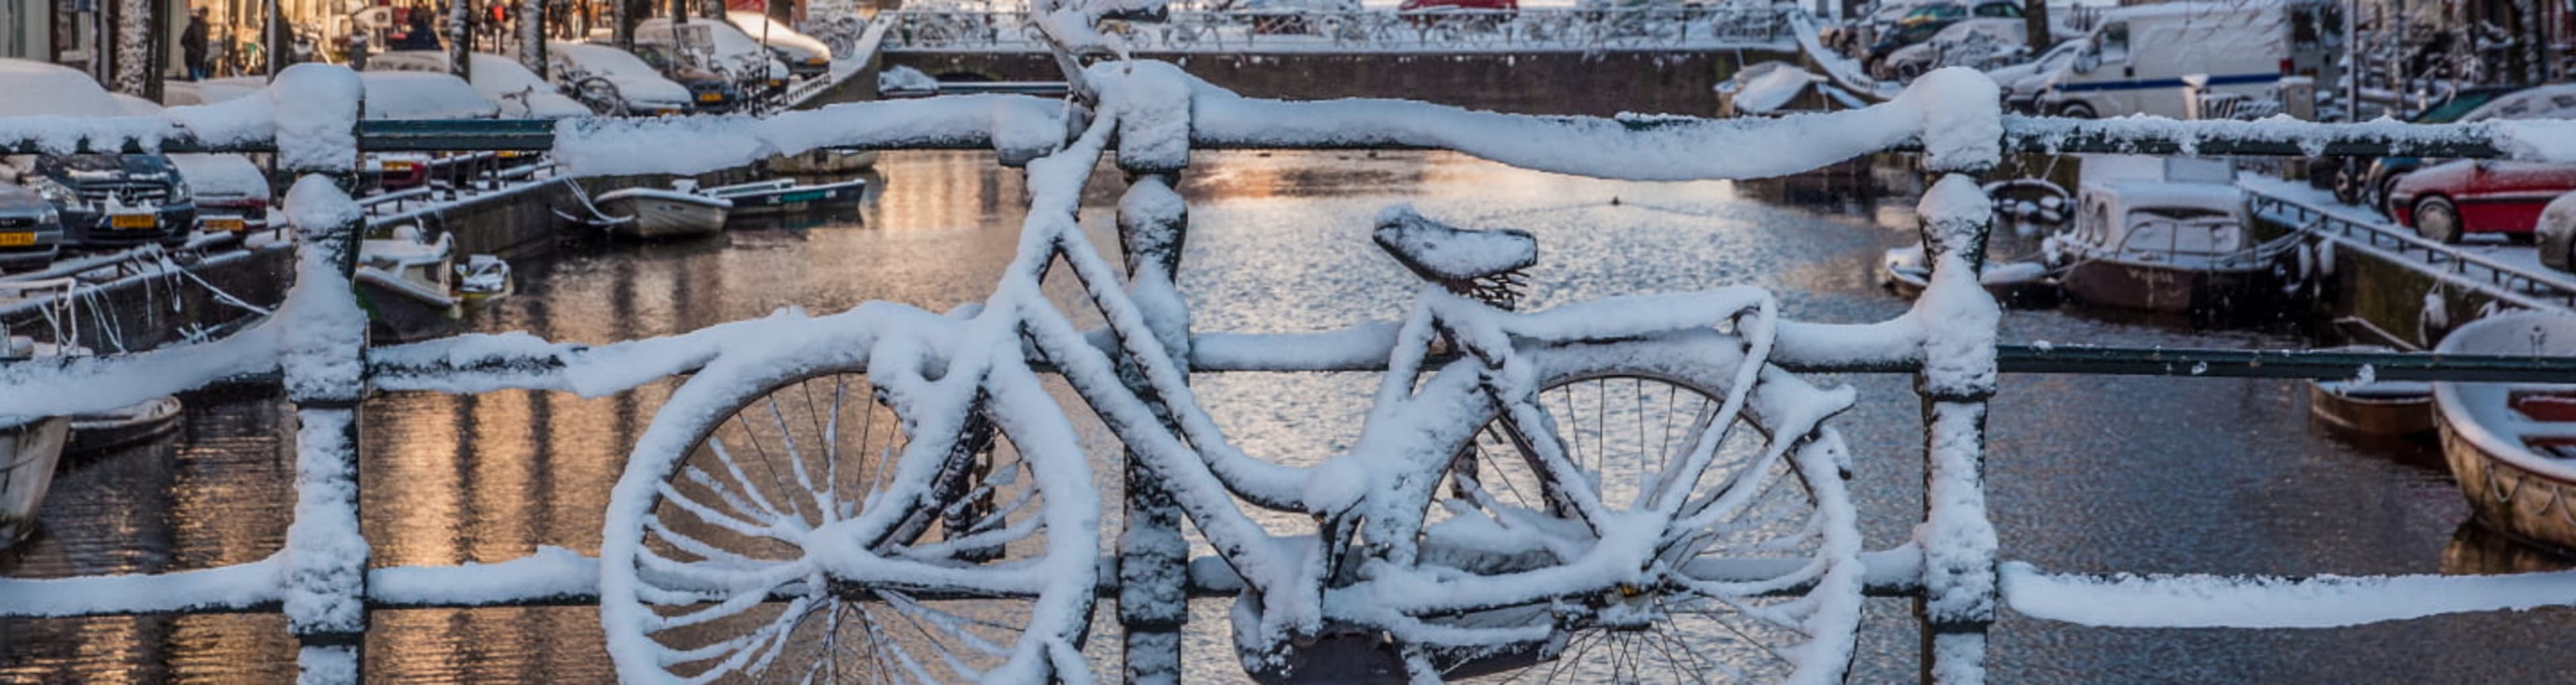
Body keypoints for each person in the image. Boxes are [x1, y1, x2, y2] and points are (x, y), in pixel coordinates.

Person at [180, 9, 209, 80]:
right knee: (195, 81)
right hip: (193, 58)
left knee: (202, 83)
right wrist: (192, 51)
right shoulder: (192, 27)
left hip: (202, 59)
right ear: (199, 14)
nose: (202, 16)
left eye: (204, 15)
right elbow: (183, 41)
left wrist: (205, 52)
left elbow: (205, 41)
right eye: (201, 14)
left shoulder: (206, 27)